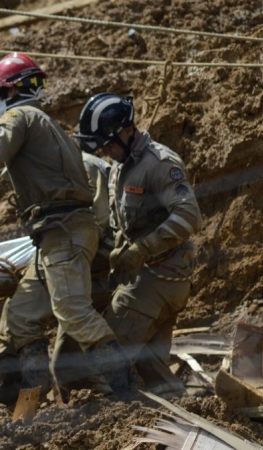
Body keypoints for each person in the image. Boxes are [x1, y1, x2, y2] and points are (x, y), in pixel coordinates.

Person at [0, 53, 134, 397]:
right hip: (56, 236)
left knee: (72, 311)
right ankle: (26, 401)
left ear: (8, 91)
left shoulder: (18, 116)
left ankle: (125, 385)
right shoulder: (50, 126)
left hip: (63, 233)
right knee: (21, 316)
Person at [74, 93, 202, 397]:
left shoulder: (159, 163)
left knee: (101, 371)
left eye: (108, 143)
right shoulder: (120, 166)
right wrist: (119, 248)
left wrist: (141, 250)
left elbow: (190, 216)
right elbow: (125, 222)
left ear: (126, 130)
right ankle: (181, 422)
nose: (105, 151)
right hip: (150, 278)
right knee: (155, 375)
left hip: (157, 277)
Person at [0, 151, 116, 403]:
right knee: (18, 314)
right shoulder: (38, 174)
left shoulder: (81, 167)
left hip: (86, 259)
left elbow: (100, 223)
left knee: (73, 327)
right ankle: (23, 395)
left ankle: (122, 388)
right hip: (53, 251)